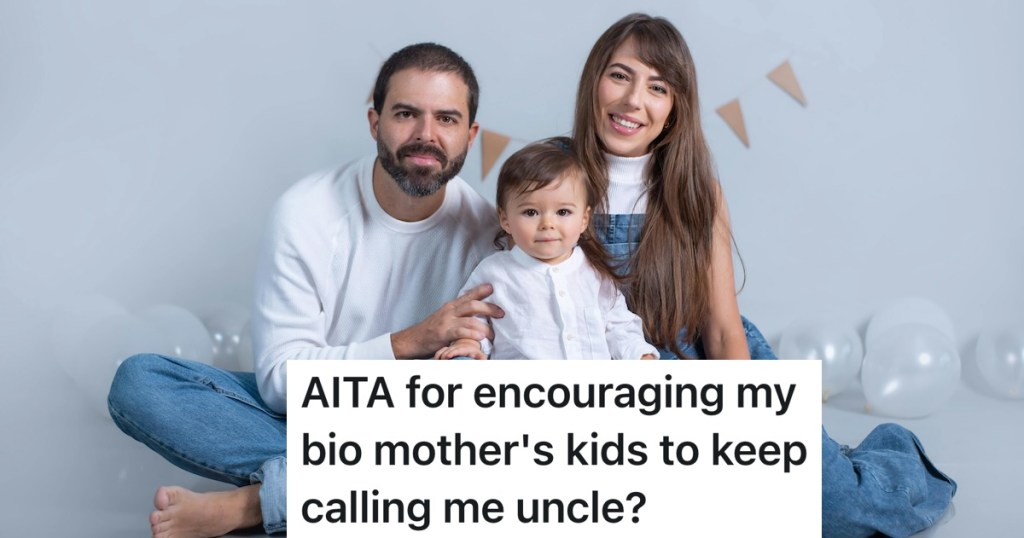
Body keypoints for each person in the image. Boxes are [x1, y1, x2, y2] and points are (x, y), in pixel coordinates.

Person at [572, 13, 956, 537]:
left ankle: (885, 454)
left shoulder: (695, 192)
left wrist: (743, 433)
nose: (633, 99)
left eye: (657, 87)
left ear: (673, 109)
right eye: (620, 75)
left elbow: (723, 330)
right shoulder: (552, 176)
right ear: (594, 80)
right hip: (613, 389)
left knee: (831, 510)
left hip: (706, 362)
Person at [107, 42, 504, 537]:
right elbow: (278, 384)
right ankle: (359, 499)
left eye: (446, 119)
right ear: (374, 122)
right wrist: (414, 341)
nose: (426, 136)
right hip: (313, 423)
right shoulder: (307, 212)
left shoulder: (492, 235)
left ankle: (259, 504)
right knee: (141, 382)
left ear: (470, 135)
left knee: (483, 449)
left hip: (416, 437)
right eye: (406, 114)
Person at [435, 137, 658, 361]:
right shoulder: (494, 273)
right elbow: (473, 321)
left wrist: (640, 355)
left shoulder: (594, 271)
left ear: (584, 219)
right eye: (531, 212)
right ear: (505, 219)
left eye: (563, 212)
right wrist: (468, 342)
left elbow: (618, 324)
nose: (547, 224)